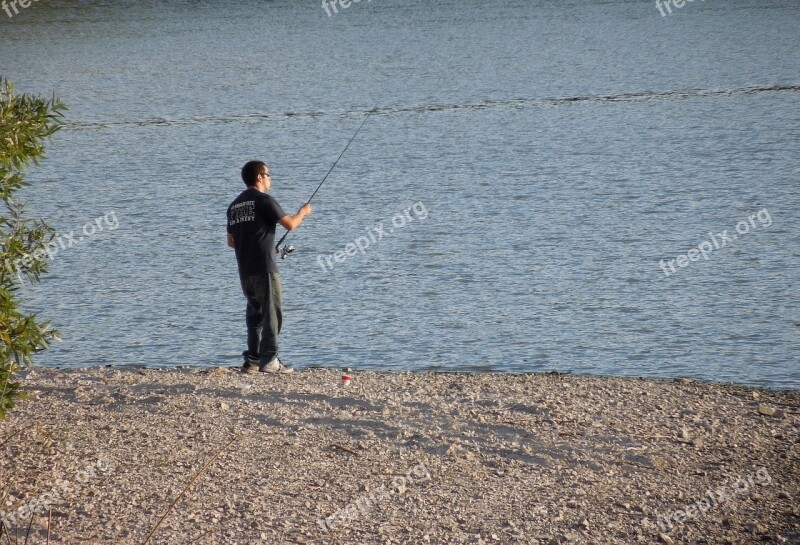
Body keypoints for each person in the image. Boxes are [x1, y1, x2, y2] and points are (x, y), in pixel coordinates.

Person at [227, 160, 312, 373]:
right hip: (265, 269)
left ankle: (253, 360)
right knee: (272, 313)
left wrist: (261, 243)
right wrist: (303, 212)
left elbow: (231, 242)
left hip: (245, 270)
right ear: (259, 177)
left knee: (255, 315)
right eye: (268, 174)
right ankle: (270, 359)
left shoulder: (234, 206)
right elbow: (291, 224)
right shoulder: (265, 201)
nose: (270, 178)